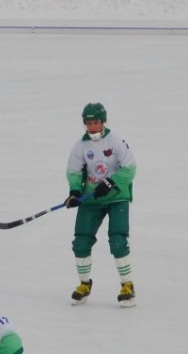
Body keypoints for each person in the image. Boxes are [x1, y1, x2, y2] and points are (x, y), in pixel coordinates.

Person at [64, 102, 137, 307]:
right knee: (80, 242)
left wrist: (110, 182)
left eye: (95, 122)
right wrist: (75, 192)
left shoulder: (115, 141)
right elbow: (74, 172)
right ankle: (84, 284)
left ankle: (127, 286)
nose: (92, 127)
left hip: (117, 197)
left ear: (103, 122)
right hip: (92, 200)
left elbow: (130, 168)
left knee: (117, 241)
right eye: (88, 123)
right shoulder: (81, 146)